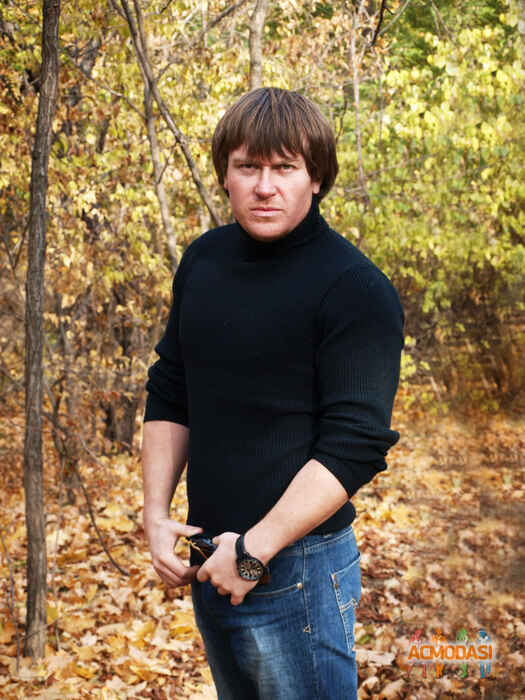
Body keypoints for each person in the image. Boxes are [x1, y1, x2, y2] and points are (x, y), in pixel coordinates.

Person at [142, 87, 404, 700]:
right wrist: (155, 515)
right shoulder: (203, 262)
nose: (265, 186)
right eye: (248, 167)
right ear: (225, 175)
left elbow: (355, 445)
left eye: (285, 167)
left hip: (300, 570)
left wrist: (254, 552)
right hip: (212, 557)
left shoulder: (355, 288)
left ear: (316, 178)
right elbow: (171, 389)